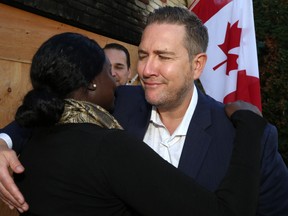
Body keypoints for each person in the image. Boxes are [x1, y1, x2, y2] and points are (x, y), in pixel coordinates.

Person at [0, 6, 287, 215]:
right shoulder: (115, 102)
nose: (147, 70)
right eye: (143, 55)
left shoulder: (247, 136)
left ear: (197, 65)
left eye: (163, 56)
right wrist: (3, 143)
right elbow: (46, 112)